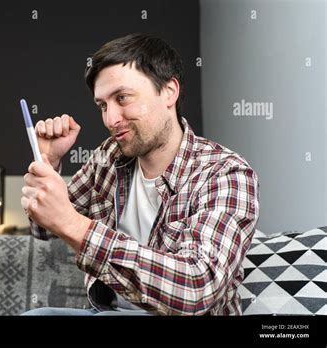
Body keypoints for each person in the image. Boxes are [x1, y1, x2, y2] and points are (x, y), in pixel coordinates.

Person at [20, 33, 259, 316]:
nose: (111, 119)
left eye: (122, 98)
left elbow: (196, 289)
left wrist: (75, 226)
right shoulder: (109, 157)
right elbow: (44, 228)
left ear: (169, 91)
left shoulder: (225, 173)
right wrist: (48, 163)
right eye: (103, 106)